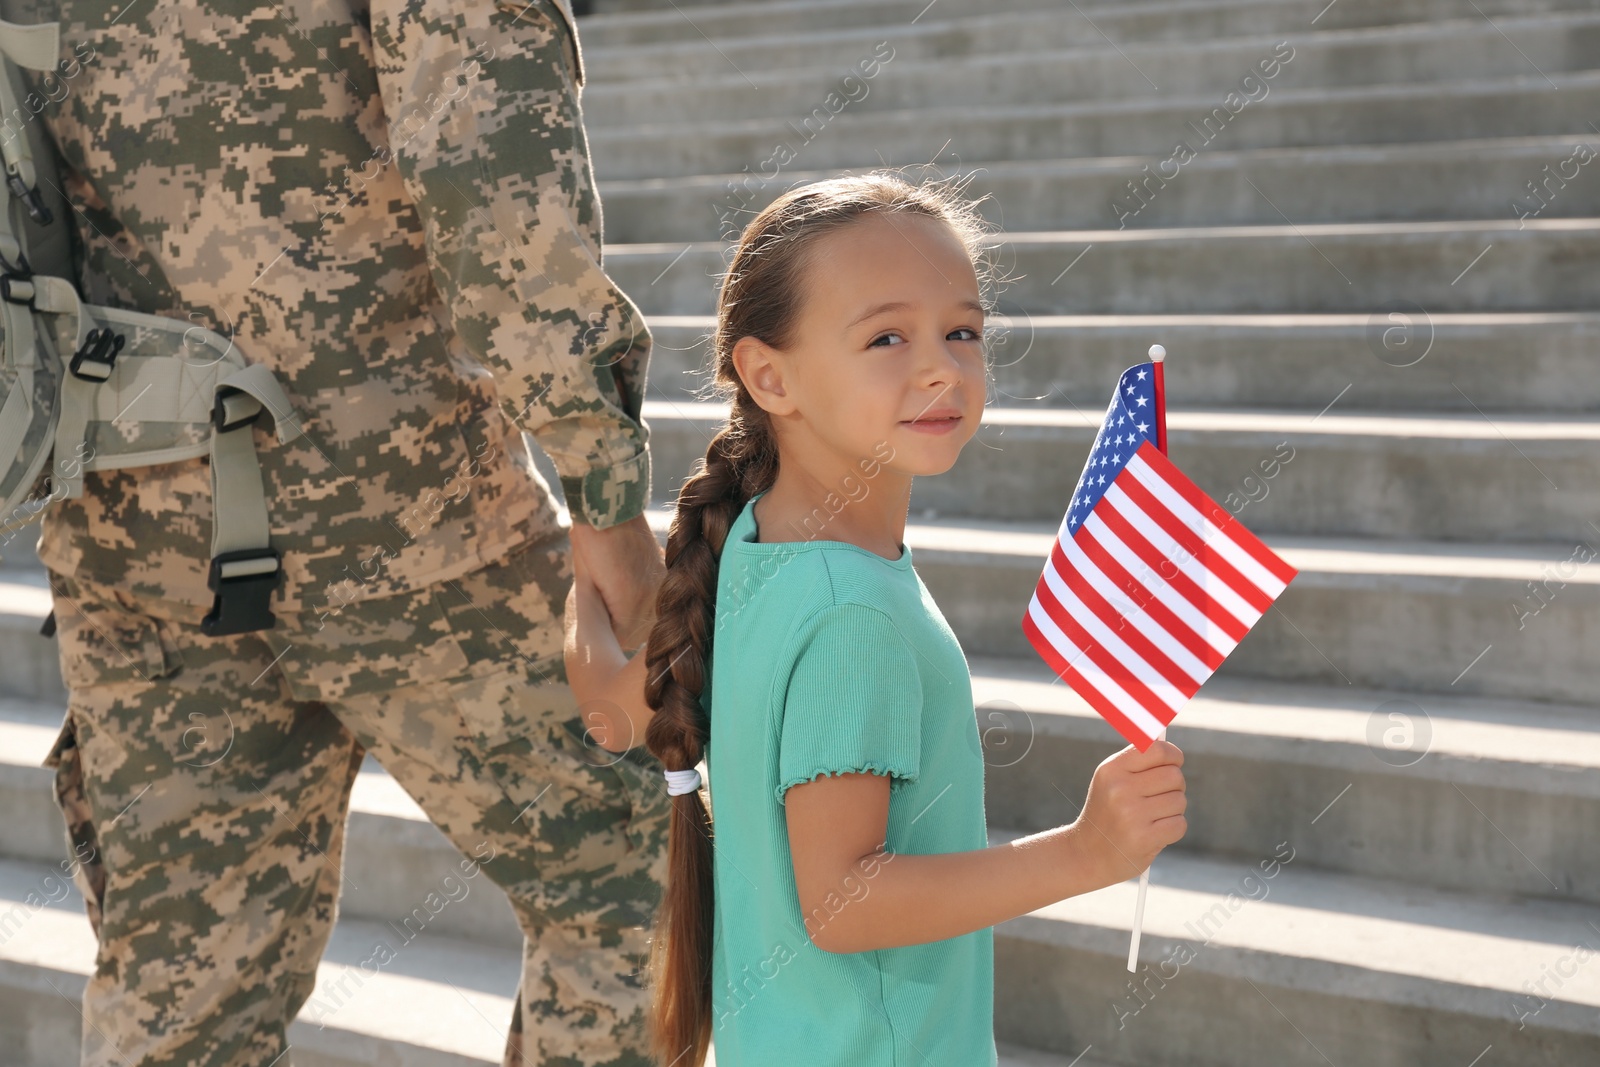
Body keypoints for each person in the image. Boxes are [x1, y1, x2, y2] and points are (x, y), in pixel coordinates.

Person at [10, 0, 671, 1064]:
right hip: (414, 528)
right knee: (647, 877)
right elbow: (486, 156)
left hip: (138, 543)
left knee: (181, 1014)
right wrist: (602, 495)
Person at [564, 171, 1190, 1066]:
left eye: (963, 330)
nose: (942, 365)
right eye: (886, 336)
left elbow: (614, 709)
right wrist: (1087, 852)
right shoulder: (850, 612)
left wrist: (585, 574)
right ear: (768, 374)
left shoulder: (746, 544)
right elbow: (844, 902)